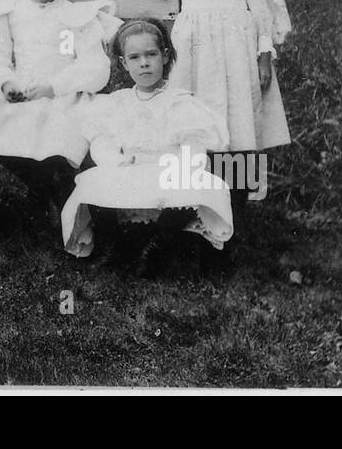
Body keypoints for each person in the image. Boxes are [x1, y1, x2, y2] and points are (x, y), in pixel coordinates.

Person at [116, 0, 292, 233]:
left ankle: (235, 219)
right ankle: (190, 215)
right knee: (193, 125)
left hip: (237, 43)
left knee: (239, 125)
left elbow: (261, 4)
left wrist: (264, 53)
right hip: (193, 43)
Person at [62, 18, 232, 277]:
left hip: (168, 169)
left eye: (151, 54)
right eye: (135, 57)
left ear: (164, 56)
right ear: (123, 63)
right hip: (130, 168)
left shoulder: (180, 102)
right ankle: (113, 244)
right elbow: (102, 141)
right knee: (93, 184)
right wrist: (114, 162)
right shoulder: (118, 102)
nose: (144, 63)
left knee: (190, 189)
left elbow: (193, 144)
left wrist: (184, 167)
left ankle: (158, 243)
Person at [0, 0, 120, 223]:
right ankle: (41, 189)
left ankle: (54, 194)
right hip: (20, 91)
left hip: (61, 95)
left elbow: (95, 68)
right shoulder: (10, 12)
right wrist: (6, 83)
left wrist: (54, 87)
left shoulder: (74, 15)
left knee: (57, 133)